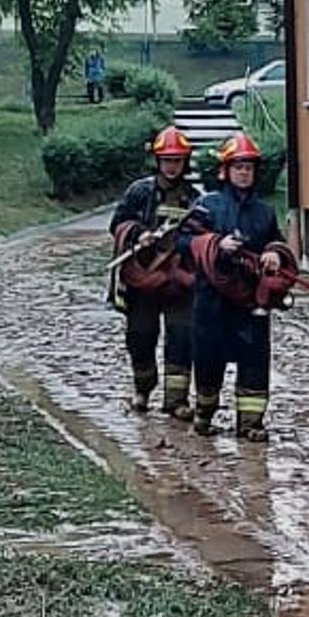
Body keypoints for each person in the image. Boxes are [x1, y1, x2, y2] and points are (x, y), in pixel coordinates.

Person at [180, 133, 296, 442]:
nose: (244, 173)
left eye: (249, 167)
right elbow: (184, 242)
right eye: (238, 167)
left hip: (250, 303)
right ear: (226, 171)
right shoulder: (207, 207)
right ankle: (204, 414)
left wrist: (273, 252)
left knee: (255, 362)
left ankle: (250, 423)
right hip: (212, 302)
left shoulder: (265, 212)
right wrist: (216, 245)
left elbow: (277, 241)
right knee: (208, 361)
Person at [109, 126, 199, 417]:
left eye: (177, 160)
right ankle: (142, 389)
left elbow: (202, 235)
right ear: (157, 161)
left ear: (185, 162)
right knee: (141, 335)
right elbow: (117, 224)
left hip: (178, 281)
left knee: (182, 335)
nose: (172, 166)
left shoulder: (195, 198)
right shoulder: (139, 192)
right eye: (167, 160)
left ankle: (177, 400)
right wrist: (138, 234)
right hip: (143, 279)